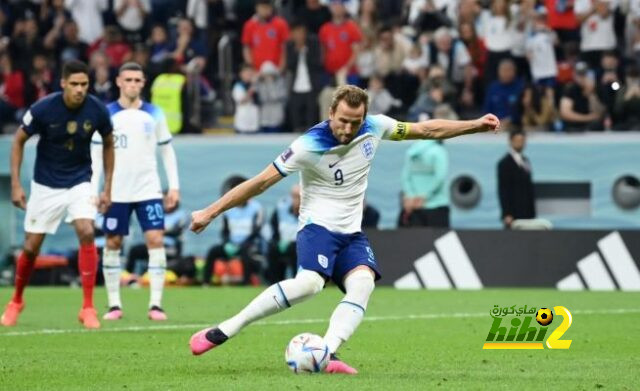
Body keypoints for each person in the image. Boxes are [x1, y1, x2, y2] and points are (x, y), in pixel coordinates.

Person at [188, 85, 500, 373]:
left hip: (351, 233)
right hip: (318, 228)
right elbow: (258, 183)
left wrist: (475, 124)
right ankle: (227, 328)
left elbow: (427, 129)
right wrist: (210, 211)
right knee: (309, 284)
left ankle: (328, 353)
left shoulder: (375, 126)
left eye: (355, 121)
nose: (348, 129)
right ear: (331, 114)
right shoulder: (307, 146)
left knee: (364, 284)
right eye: (342, 121)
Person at [1, 60, 114, 328]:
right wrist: (16, 184)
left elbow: (109, 144)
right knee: (31, 247)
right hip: (45, 184)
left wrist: (107, 187)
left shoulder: (97, 110)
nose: (79, 90)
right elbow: (18, 141)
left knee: (86, 231)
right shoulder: (43, 109)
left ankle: (88, 307)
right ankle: (16, 300)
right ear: (63, 83)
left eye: (84, 84)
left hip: (79, 181)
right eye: (74, 84)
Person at [91, 62, 180, 321]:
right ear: (118, 81)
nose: (132, 84)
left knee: (155, 239)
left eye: (137, 80)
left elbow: (167, 150)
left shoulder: (155, 113)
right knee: (113, 242)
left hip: (148, 189)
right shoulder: (105, 113)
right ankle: (114, 305)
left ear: (143, 83)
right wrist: (95, 190)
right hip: (116, 190)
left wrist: (173, 185)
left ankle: (155, 304)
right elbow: (96, 154)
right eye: (128, 79)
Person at [400, 140, 450, 228]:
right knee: (441, 240)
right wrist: (424, 196)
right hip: (437, 205)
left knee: (415, 241)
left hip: (413, 206)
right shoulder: (439, 151)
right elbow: (440, 177)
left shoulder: (411, 150)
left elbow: (405, 177)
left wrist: (411, 196)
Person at [497, 130, 536, 228]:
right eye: (517, 140)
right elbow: (503, 190)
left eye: (522, 140)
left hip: (527, 213)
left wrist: (532, 212)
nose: (520, 143)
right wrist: (507, 213)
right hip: (513, 213)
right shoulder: (504, 163)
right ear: (510, 141)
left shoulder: (526, 161)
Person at [265, 184, 301, 284]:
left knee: (295, 250)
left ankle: (297, 282)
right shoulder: (282, 208)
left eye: (298, 197)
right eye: (293, 196)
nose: (296, 200)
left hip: (299, 245)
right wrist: (276, 241)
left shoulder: (310, 211)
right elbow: (273, 226)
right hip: (283, 242)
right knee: (272, 249)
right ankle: (273, 283)